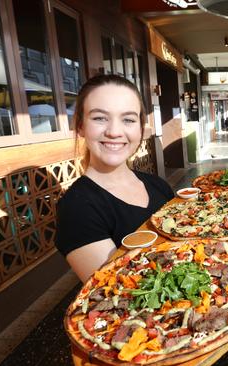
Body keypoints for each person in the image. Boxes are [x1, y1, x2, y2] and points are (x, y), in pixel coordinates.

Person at [55, 74, 174, 282]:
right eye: (100, 118)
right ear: (80, 126)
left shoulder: (158, 185)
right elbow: (117, 291)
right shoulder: (77, 208)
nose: (114, 132)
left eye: (128, 119)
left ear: (140, 128)